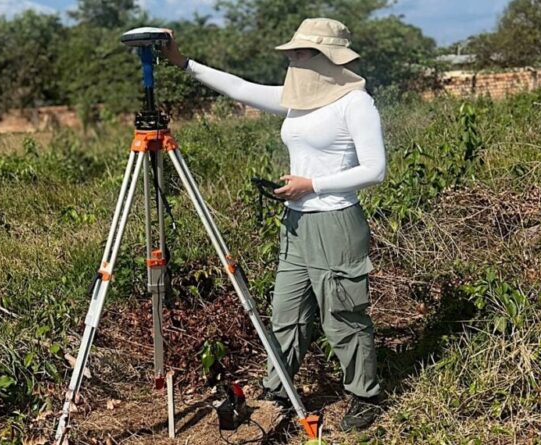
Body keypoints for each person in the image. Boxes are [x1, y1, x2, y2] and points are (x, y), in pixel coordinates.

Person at [162, 17, 387, 431]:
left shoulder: (356, 103)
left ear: (326, 58)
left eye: (301, 53)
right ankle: (278, 389)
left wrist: (312, 184)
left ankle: (365, 395)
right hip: (296, 225)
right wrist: (183, 62)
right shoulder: (298, 100)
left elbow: (375, 169)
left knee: (343, 317)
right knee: (287, 312)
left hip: (335, 222)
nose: (293, 60)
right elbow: (240, 88)